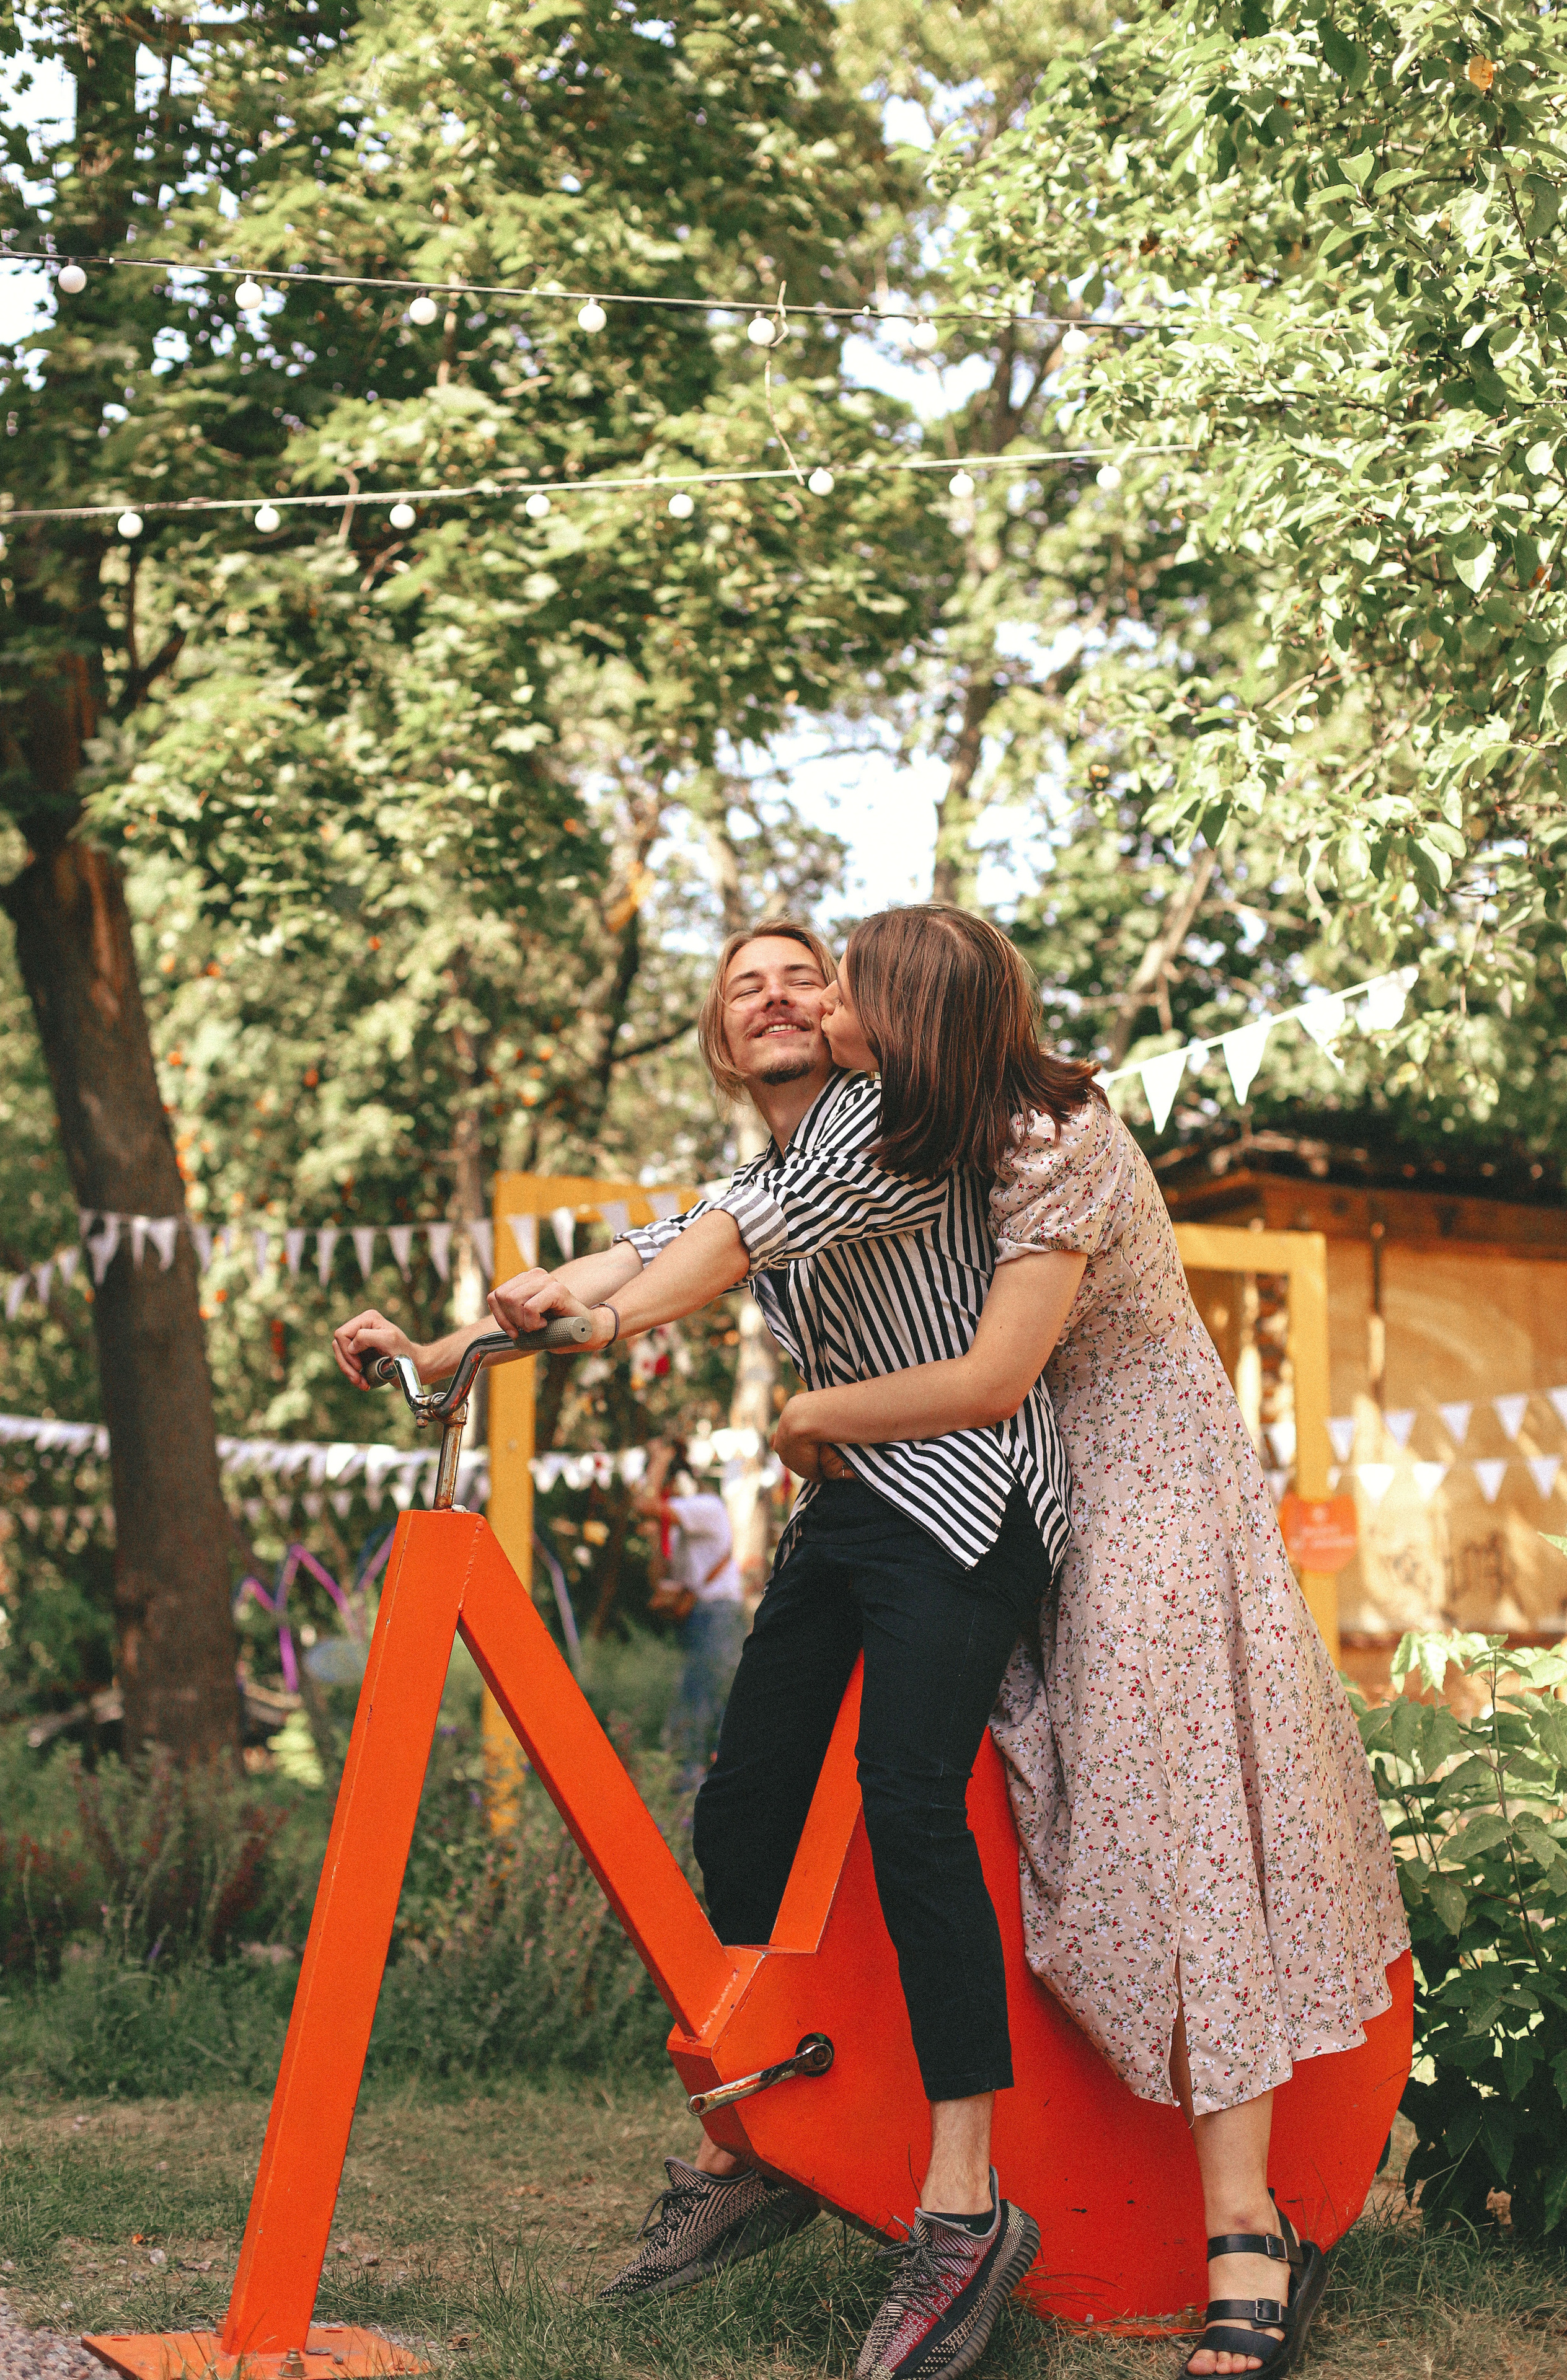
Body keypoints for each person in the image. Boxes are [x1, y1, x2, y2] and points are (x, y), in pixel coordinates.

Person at [333, 912, 1074, 2380]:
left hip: (971, 1489)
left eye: (808, 972)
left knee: (907, 1796)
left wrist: (592, 1319)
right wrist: (442, 1348)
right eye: (747, 984)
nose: (781, 993)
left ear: (850, 1015)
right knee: (741, 1809)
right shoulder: (766, 1167)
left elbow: (702, 1259)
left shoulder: (886, 1117)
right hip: (855, 1505)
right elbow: (653, 1244)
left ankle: (962, 2206)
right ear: (723, 1041)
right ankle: (764, 2135)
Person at [767, 907, 1411, 2380]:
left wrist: (814, 1416)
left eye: (846, 979)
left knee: (1179, 1830)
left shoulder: (1053, 1137)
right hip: (1029, 1504)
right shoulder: (914, 1126)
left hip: (1145, 1498)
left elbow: (995, 1372)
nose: (822, 995)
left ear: (909, 1013)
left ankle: (1246, 2231)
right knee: (1009, 1803)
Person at [632, 1438, 743, 1788]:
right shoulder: (684, 1532)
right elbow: (661, 1580)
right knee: (697, 1699)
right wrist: (653, 1540)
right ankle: (693, 1786)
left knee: (702, 1702)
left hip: (718, 1616)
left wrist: (659, 1462)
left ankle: (693, 1787)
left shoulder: (706, 1507)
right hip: (701, 1619)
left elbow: (643, 1504)